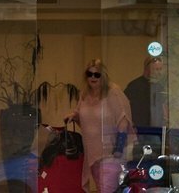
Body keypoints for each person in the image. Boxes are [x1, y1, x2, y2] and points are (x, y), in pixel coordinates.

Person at [65, 59, 133, 193]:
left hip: (110, 153)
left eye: (97, 74)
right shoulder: (85, 94)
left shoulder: (112, 92)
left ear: (103, 76)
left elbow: (123, 119)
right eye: (89, 74)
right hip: (92, 154)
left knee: (107, 188)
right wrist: (73, 116)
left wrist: (118, 148)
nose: (93, 77)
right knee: (100, 187)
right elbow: (81, 114)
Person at [123, 56, 168, 155]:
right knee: (140, 157)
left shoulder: (160, 87)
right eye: (156, 69)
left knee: (155, 156)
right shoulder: (134, 86)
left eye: (160, 69)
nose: (159, 73)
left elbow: (163, 108)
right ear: (147, 69)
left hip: (155, 130)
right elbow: (124, 106)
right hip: (139, 131)